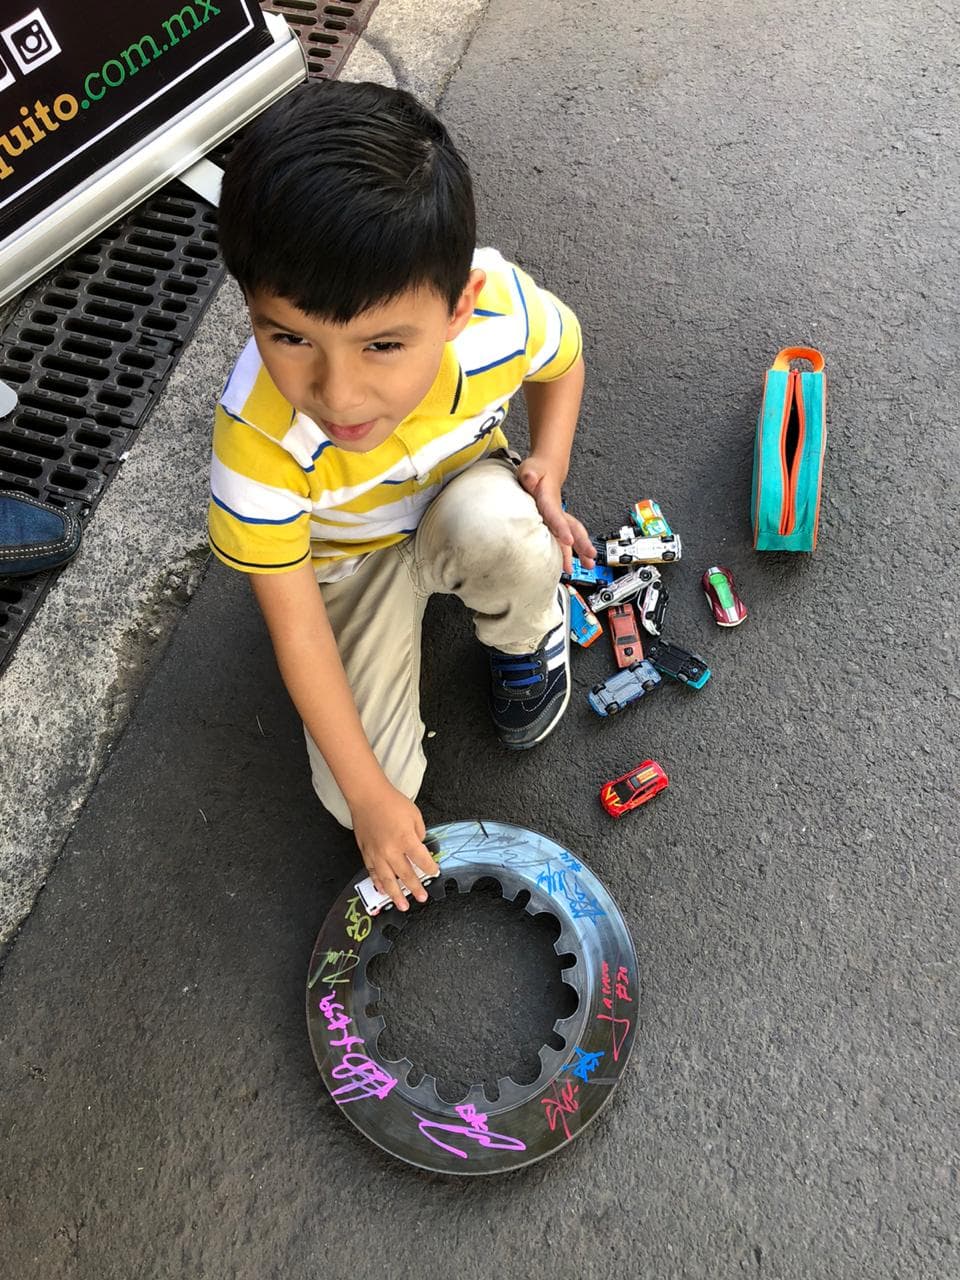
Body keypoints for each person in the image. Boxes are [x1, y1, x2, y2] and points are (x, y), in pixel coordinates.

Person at [211, 79, 595, 911]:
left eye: (382, 344)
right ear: (250, 305)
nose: (340, 396)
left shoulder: (503, 309)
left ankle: (528, 637)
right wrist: (373, 801)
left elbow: (563, 360)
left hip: (460, 497)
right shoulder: (254, 445)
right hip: (344, 565)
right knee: (353, 794)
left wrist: (550, 466)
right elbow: (296, 625)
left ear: (460, 308)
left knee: (512, 531)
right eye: (290, 338)